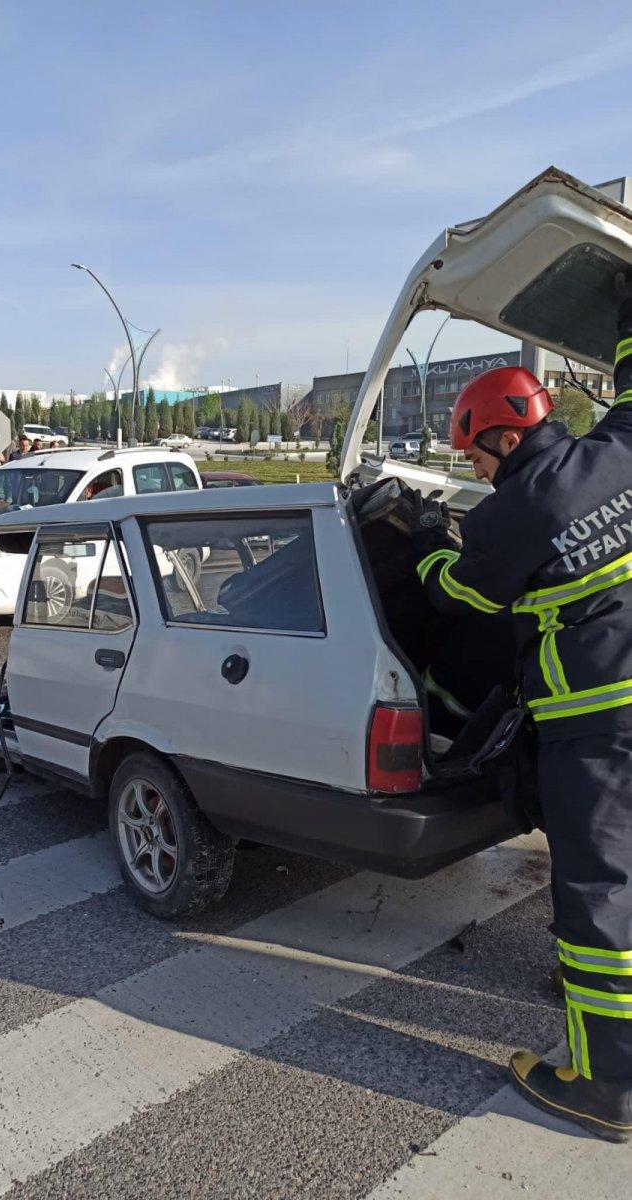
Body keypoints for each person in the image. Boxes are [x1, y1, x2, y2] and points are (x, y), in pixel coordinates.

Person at [407, 280, 632, 1142]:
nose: (477, 474)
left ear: (503, 435)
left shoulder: (513, 515)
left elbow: (458, 595)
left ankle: (608, 1085)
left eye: (476, 459)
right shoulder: (620, 447)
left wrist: (424, 539)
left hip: (600, 728)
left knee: (599, 901)